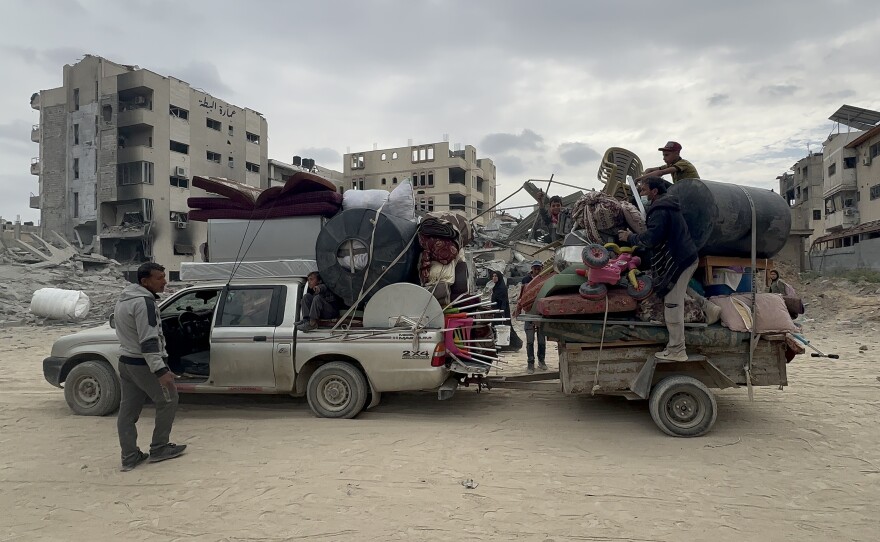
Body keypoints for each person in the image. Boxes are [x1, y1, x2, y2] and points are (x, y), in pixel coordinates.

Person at [114, 262, 187, 472]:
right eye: (159, 278)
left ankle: (129, 456)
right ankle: (159, 448)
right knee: (169, 400)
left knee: (127, 413)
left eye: (164, 276)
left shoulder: (125, 299)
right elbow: (148, 341)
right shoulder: (144, 303)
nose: (164, 281)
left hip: (126, 362)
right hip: (143, 364)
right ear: (145, 281)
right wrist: (161, 370)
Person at [618, 177, 699, 362]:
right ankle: (710, 310)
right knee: (678, 294)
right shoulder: (668, 205)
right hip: (686, 258)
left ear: (654, 191)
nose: (642, 193)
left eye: (644, 189)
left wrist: (630, 238)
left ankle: (677, 350)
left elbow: (651, 238)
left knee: (672, 304)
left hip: (680, 260)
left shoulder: (660, 210)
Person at [520, 261, 547, 373]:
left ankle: (542, 361)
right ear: (532, 269)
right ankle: (530, 363)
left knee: (541, 340)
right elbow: (521, 297)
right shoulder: (526, 280)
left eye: (538, 269)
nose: (537, 271)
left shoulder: (544, 279)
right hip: (529, 314)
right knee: (530, 340)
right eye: (535, 269)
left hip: (541, 313)